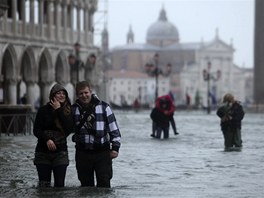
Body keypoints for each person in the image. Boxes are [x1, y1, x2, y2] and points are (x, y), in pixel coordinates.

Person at [72, 81, 121, 188]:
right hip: (82, 153)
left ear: (91, 91)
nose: (84, 96)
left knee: (104, 184)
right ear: (77, 95)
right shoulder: (74, 109)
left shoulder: (104, 107)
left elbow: (114, 129)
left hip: (102, 153)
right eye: (81, 93)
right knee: (85, 186)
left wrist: (115, 148)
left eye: (86, 92)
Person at [33, 83, 73, 187]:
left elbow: (69, 130)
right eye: (58, 93)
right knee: (44, 186)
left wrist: (58, 110)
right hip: (42, 152)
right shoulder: (43, 110)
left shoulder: (68, 111)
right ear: (52, 96)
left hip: (61, 153)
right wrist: (47, 139)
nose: (61, 95)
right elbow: (36, 130)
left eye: (63, 93)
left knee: (59, 186)